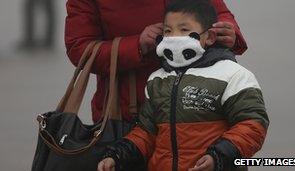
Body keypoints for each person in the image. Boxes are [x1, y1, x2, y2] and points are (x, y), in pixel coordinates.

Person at [97, 0, 269, 171]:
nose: (174, 37)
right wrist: (118, 155)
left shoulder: (232, 75)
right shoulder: (157, 80)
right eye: (168, 31)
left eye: (184, 30)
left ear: (209, 37)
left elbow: (253, 125)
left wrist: (218, 156)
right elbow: (146, 132)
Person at [65, 0, 247, 126]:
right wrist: (138, 45)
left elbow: (218, 11)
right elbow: (79, 48)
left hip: (202, 109)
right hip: (129, 114)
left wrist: (228, 30)